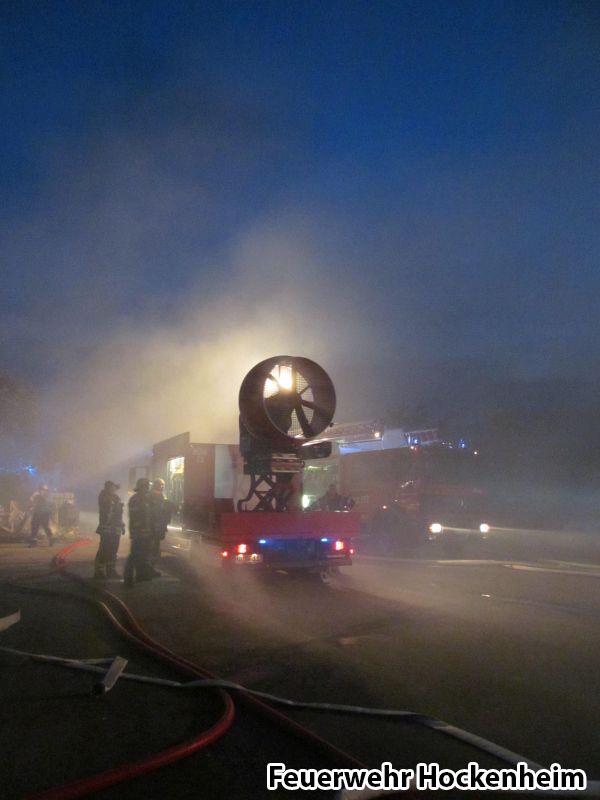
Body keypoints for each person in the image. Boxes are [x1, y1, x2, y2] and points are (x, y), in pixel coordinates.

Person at [123, 477, 154, 587]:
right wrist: (138, 529)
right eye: (146, 486)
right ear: (142, 487)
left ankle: (141, 575)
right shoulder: (135, 500)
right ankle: (128, 577)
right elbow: (135, 517)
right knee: (135, 554)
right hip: (138, 532)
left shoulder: (146, 499)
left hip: (146, 532)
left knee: (144, 555)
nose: (148, 488)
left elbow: (150, 515)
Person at [94, 481, 125, 579]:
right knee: (104, 549)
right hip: (107, 529)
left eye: (114, 488)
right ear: (107, 488)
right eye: (112, 487)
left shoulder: (116, 498)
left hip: (116, 529)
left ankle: (111, 570)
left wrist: (122, 525)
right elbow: (107, 510)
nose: (114, 489)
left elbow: (119, 514)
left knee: (113, 550)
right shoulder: (103, 496)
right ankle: (99, 571)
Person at [148, 479, 175, 577]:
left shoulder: (159, 496)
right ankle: (149, 570)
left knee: (154, 550)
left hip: (157, 528)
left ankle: (150, 569)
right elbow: (157, 512)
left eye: (163, 485)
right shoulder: (153, 497)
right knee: (152, 550)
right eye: (161, 485)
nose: (162, 487)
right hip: (153, 528)